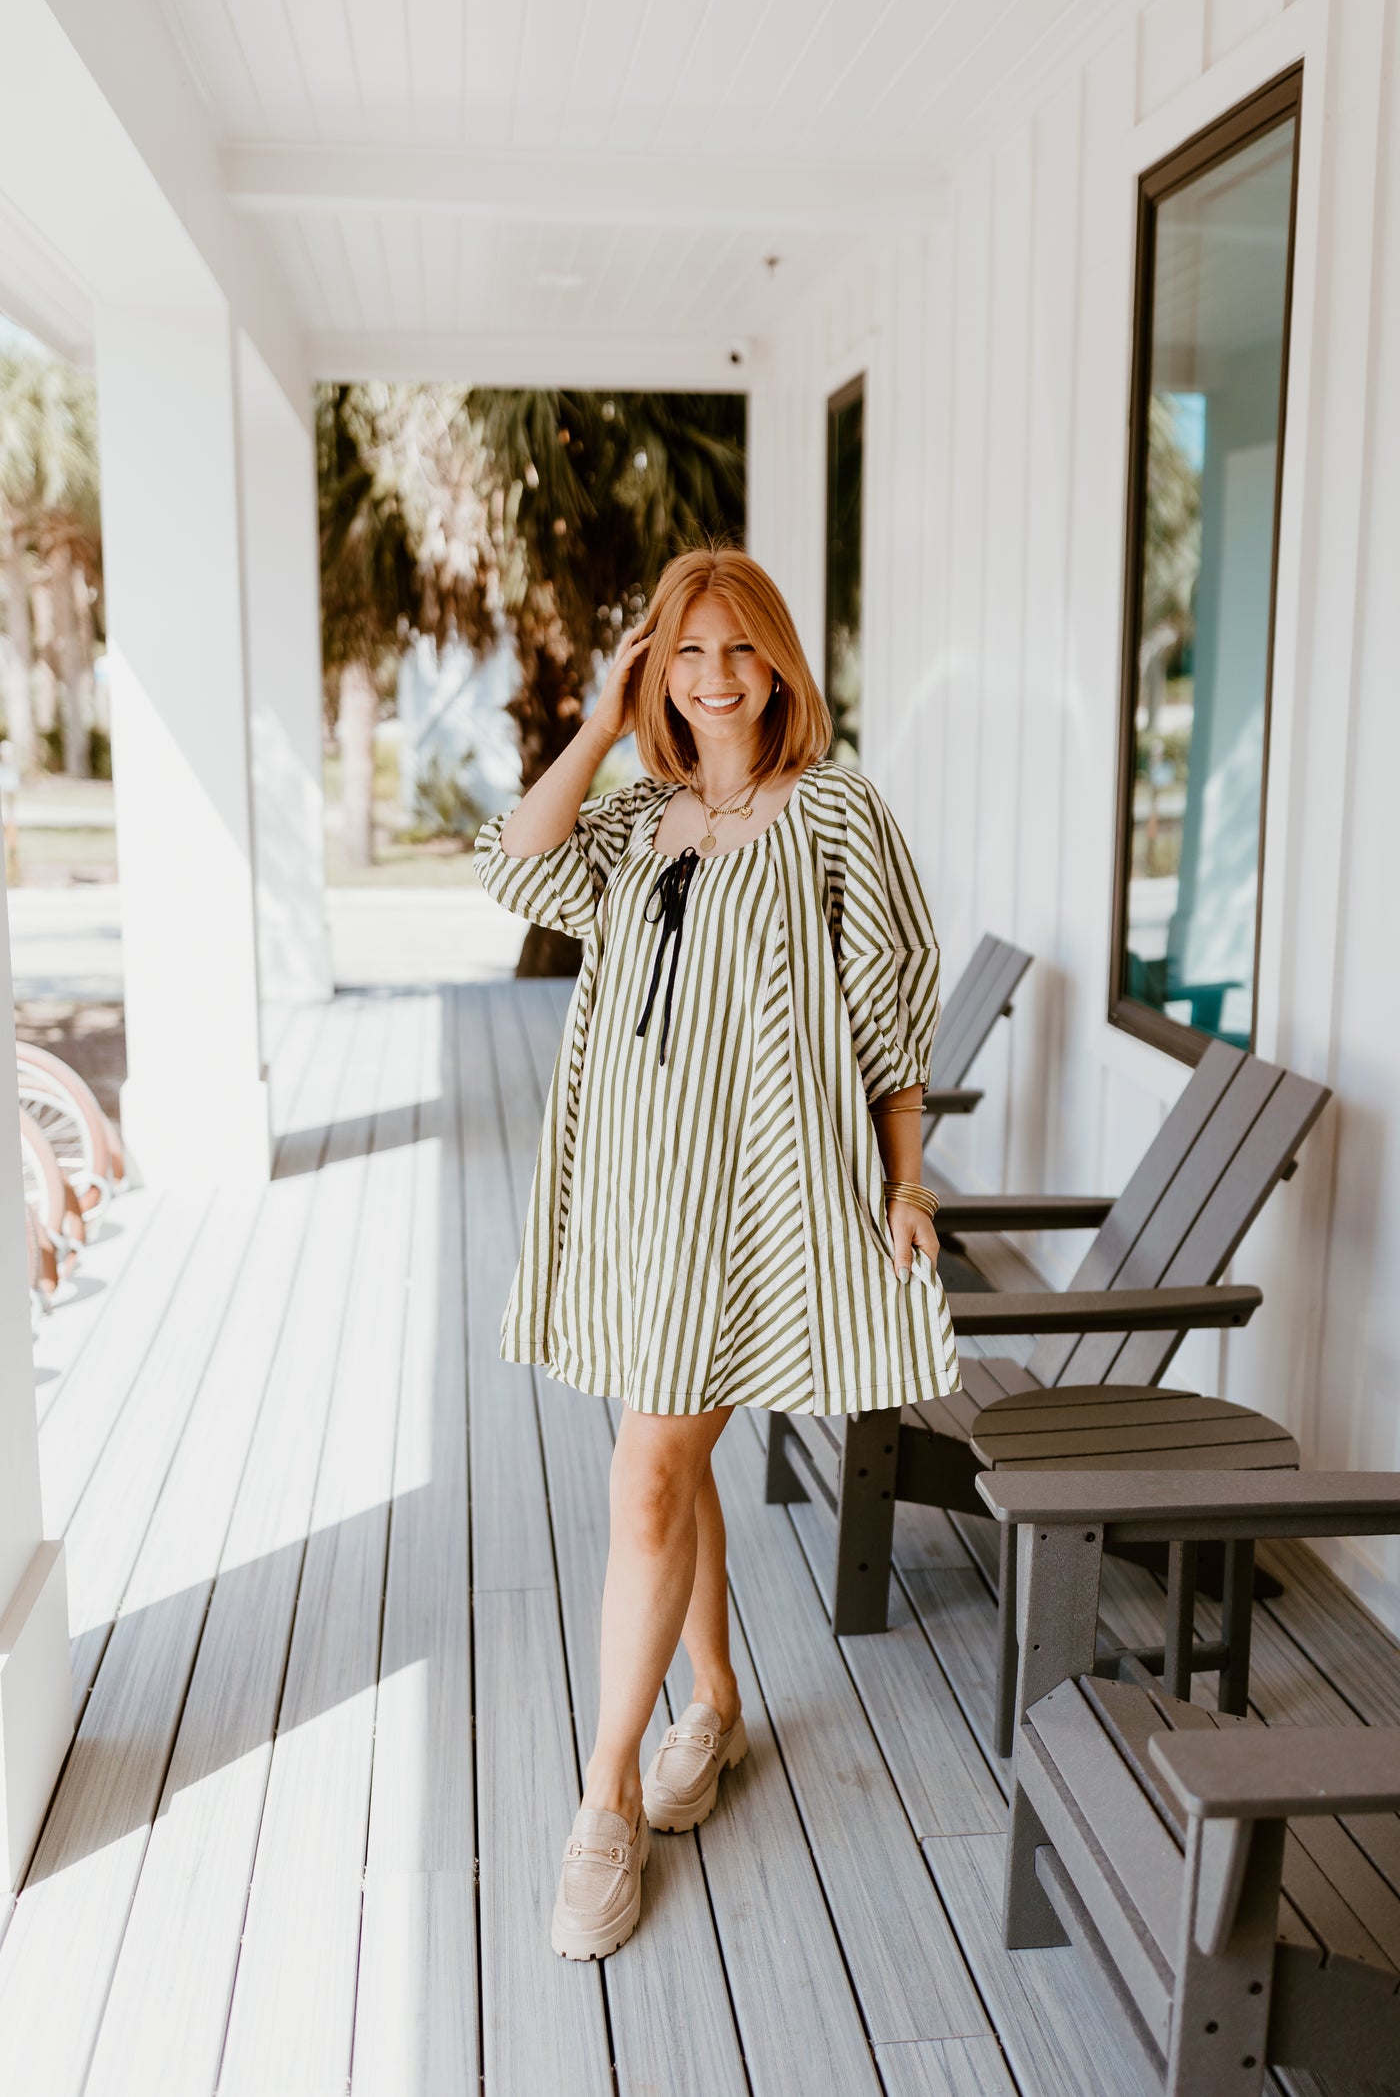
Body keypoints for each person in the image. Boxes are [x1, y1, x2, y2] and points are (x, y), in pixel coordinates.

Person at [473, 545, 960, 1961]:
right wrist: (604, 710)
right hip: (632, 1190)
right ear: (656, 673)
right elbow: (518, 864)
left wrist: (910, 1180)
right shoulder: (635, 821)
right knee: (668, 1464)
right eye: (685, 653)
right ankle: (720, 1707)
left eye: (738, 648)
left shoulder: (836, 818)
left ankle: (605, 1797)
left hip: (750, 1201)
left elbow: (890, 1024)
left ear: (782, 664)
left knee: (644, 1474)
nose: (715, 676)